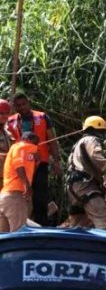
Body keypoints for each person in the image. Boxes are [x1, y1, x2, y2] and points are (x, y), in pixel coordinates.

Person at [7, 93, 60, 226]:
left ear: (28, 102)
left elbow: (52, 141)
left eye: (24, 104)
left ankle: (42, 225)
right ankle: (23, 224)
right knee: (20, 195)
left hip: (40, 163)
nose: (22, 107)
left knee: (40, 196)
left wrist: (57, 161)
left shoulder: (42, 117)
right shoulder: (11, 121)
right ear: (15, 107)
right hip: (20, 166)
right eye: (18, 105)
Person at [66, 116, 106, 229]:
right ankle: (104, 246)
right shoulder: (91, 140)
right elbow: (95, 156)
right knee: (103, 221)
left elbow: (80, 169)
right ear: (97, 129)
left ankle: (71, 245)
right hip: (84, 187)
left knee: (77, 224)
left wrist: (103, 186)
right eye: (103, 131)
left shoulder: (77, 145)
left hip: (73, 188)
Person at [0, 132, 38, 232]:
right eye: (35, 143)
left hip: (5, 197)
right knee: (19, 232)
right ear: (28, 140)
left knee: (4, 236)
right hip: (16, 195)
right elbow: (19, 165)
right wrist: (26, 185)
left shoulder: (15, 149)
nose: (36, 146)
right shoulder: (22, 146)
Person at [0, 99, 15, 168]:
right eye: (1, 113)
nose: (5, 116)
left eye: (7, 113)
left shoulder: (9, 134)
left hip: (7, 176)